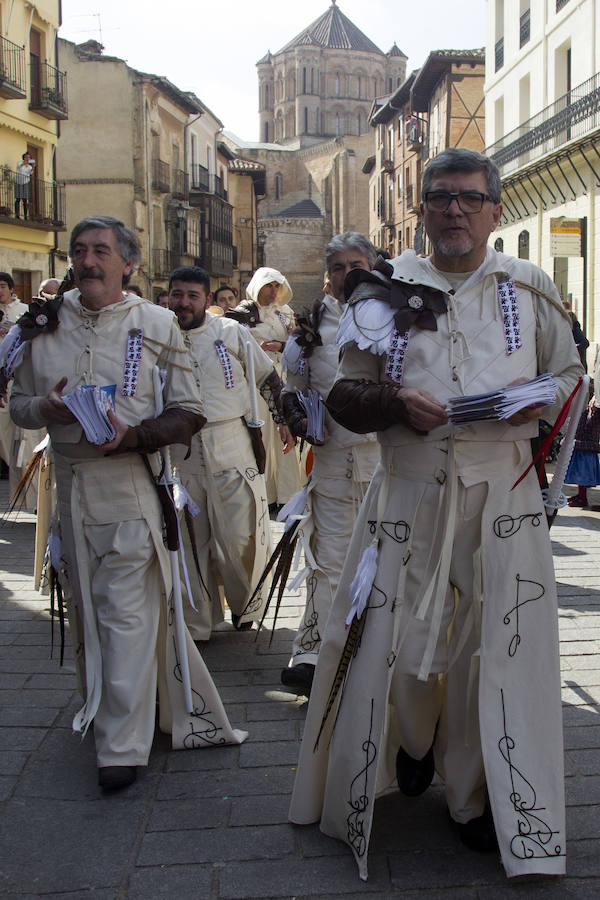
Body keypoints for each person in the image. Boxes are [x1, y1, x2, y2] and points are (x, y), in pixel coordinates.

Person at [289, 149, 583, 881]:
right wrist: (395, 403)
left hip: (503, 495)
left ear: (495, 210)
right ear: (420, 208)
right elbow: (347, 397)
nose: (456, 209)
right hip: (406, 489)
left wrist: (537, 400)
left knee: (494, 647)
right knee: (400, 635)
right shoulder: (383, 291)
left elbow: (571, 376)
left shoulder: (533, 287)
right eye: (441, 197)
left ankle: (475, 796)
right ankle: (413, 741)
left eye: (470, 198)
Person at [8, 216, 246, 791]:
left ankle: (122, 745)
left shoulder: (158, 324)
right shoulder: (40, 326)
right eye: (79, 251)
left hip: (133, 487)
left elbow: (190, 412)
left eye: (101, 252)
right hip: (70, 489)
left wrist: (133, 436)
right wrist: (45, 410)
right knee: (90, 615)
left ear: (128, 264)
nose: (87, 262)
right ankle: (110, 709)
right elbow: (15, 404)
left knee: (126, 614)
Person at [278, 233, 380, 696]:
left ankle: (378, 650)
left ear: (373, 266)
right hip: (333, 461)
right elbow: (290, 391)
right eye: (337, 267)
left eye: (355, 264)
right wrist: (299, 419)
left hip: (388, 462)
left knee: (387, 558)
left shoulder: (401, 318)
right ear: (328, 276)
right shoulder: (309, 332)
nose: (346, 274)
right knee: (328, 559)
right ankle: (316, 651)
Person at [168, 265, 294, 636]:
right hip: (182, 451)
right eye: (178, 295)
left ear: (206, 301)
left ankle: (247, 605)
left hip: (232, 443)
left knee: (243, 536)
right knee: (192, 538)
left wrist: (284, 417)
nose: (184, 302)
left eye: (193, 296)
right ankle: (198, 622)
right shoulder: (158, 335)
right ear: (169, 297)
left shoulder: (230, 331)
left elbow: (267, 377)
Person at [227, 267, 302, 510]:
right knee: (261, 436)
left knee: (286, 432)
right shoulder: (242, 314)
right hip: (256, 382)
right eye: (268, 285)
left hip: (282, 377)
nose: (272, 291)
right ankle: (264, 492)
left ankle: (287, 493)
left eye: (276, 286)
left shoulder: (285, 313)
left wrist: (282, 344)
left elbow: (296, 344)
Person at [0, 271, 43, 503]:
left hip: (15, 381)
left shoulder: (24, 312)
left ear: (11, 288)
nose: (0, 291)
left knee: (18, 442)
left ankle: (31, 497)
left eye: (3, 286)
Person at [15, 152, 35, 220]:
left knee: (25, 200)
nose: (27, 158)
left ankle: (26, 216)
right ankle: (17, 215)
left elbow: (31, 173)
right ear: (23, 158)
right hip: (18, 182)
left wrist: (33, 166)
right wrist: (25, 163)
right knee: (18, 198)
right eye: (26, 157)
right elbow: (18, 167)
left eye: (29, 157)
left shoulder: (29, 167)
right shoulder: (19, 163)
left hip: (25, 182)